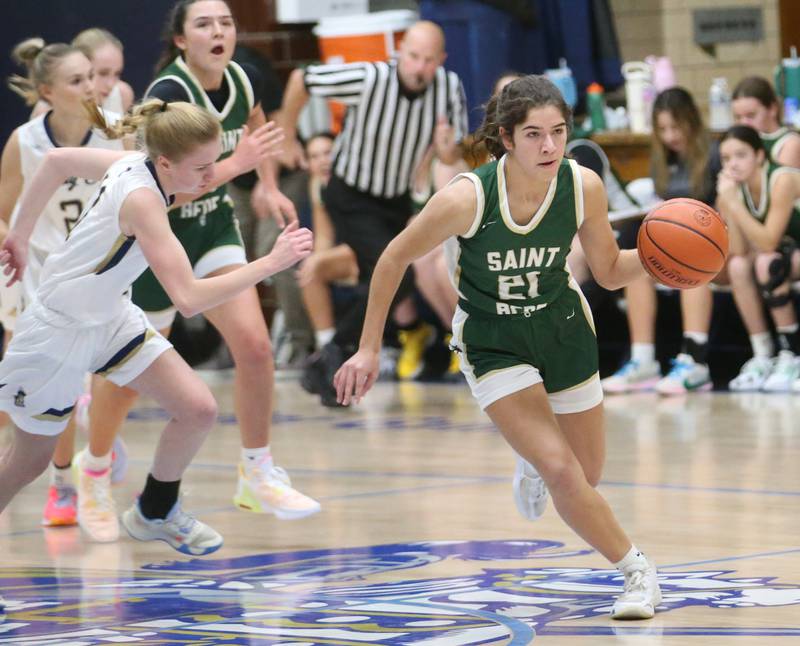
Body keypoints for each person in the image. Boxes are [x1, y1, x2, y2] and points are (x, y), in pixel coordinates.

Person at [333, 75, 662, 620]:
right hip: (493, 340)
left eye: (558, 132)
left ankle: (531, 462)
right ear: (506, 139)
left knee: (585, 476)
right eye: (534, 134)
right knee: (562, 472)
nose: (550, 146)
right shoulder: (468, 196)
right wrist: (368, 349)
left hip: (562, 328)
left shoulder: (584, 186)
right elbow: (392, 258)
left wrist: (659, 259)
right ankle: (637, 572)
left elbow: (606, 270)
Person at [0, 99, 312, 556]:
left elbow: (57, 162)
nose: (211, 176)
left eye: (214, 163)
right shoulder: (142, 200)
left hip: (109, 316)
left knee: (198, 408)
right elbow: (188, 298)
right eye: (202, 167)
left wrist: (19, 236)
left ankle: (155, 511)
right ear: (165, 162)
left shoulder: (137, 162)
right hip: (58, 331)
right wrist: (270, 262)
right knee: (27, 464)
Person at [81, 0, 321, 544]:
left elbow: (255, 123)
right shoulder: (168, 95)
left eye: (227, 22)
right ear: (182, 40)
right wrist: (237, 167)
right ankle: (93, 470)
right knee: (126, 382)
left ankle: (256, 470)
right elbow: (153, 184)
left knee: (256, 348)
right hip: (159, 239)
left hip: (212, 227)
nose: (220, 31)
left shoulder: (241, 76)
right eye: (205, 24)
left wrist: (266, 183)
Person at [278, 20, 469, 406]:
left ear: (441, 61)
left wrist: (447, 148)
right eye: (413, 57)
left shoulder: (449, 87)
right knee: (397, 276)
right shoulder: (369, 77)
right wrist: (286, 131)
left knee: (389, 280)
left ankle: (338, 369)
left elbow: (453, 154)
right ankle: (332, 356)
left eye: (429, 61)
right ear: (400, 52)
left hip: (394, 201)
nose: (419, 68)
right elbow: (303, 77)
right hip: (350, 193)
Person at [0, 38, 127, 529]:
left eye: (93, 77)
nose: (92, 87)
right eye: (78, 81)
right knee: (63, 389)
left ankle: (97, 460)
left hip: (103, 274)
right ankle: (63, 484)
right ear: (48, 92)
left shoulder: (115, 131)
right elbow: (3, 213)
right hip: (44, 280)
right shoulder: (26, 141)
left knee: (116, 383)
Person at [602, 88, 721, 395]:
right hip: (679, 243)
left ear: (691, 122)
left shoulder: (714, 153)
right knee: (640, 262)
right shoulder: (661, 162)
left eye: (676, 127)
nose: (670, 135)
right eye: (663, 129)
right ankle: (643, 361)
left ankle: (695, 362)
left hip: (716, 243)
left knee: (693, 264)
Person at [717, 125, 800, 391]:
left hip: (787, 250)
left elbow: (768, 241)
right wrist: (728, 203)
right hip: (789, 253)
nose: (733, 164)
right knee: (739, 267)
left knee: (768, 263)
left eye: (741, 155)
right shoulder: (732, 190)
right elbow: (739, 250)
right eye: (726, 159)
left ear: (760, 156)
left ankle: (792, 352)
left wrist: (735, 204)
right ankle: (762, 353)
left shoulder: (781, 179)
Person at [32, 28, 134, 119]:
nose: (111, 84)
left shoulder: (123, 95)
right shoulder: (45, 111)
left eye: (117, 74)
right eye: (103, 73)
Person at [732, 76, 800, 168]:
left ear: (772, 109)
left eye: (751, 115)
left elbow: (783, 181)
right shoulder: (741, 141)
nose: (744, 123)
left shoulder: (789, 143)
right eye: (738, 117)